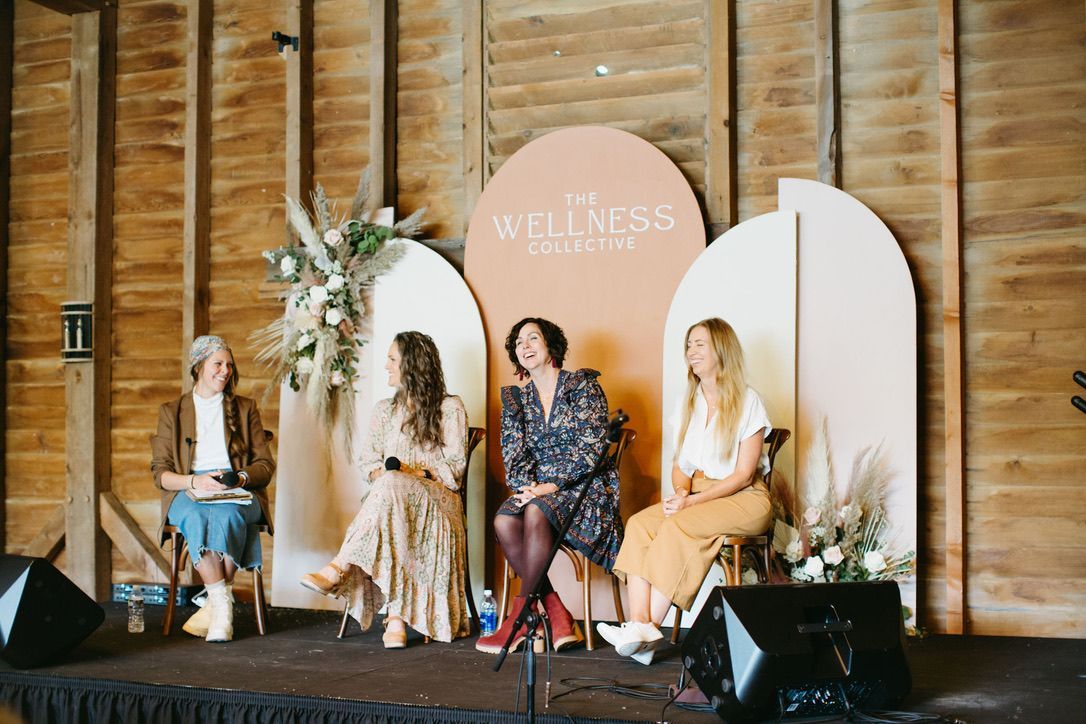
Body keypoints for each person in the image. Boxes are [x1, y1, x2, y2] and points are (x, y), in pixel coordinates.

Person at [599, 318, 772, 664]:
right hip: (698, 492)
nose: (691, 352)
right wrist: (681, 492)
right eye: (689, 345)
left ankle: (647, 629)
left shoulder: (748, 400)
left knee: (679, 524)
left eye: (699, 344)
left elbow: (742, 475)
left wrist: (691, 502)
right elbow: (681, 465)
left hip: (745, 498)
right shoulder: (688, 402)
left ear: (721, 350)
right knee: (639, 524)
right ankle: (640, 632)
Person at [300, 331, 470, 647]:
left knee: (392, 483)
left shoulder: (450, 408)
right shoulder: (383, 410)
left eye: (392, 359)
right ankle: (395, 619)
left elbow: (455, 469)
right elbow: (367, 461)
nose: (386, 365)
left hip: (438, 505)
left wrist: (412, 472)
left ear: (413, 365)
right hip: (391, 503)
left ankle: (340, 568)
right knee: (389, 486)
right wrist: (385, 473)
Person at [475, 318, 623, 654]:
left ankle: (518, 621)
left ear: (550, 345)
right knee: (503, 519)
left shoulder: (582, 386)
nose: (525, 346)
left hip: (587, 489)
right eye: (518, 343)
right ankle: (554, 612)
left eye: (533, 338)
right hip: (540, 492)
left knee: (536, 512)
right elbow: (514, 456)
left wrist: (551, 487)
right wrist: (529, 487)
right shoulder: (516, 400)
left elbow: (594, 447)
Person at [151, 335, 276, 643]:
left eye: (229, 365)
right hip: (188, 489)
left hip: (237, 488)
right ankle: (222, 604)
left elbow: (265, 465)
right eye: (217, 364)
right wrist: (195, 481)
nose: (225, 371)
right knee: (194, 516)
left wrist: (238, 479)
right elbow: (161, 474)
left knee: (230, 514)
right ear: (198, 367)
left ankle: (216, 608)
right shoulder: (172, 411)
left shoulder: (245, 409)